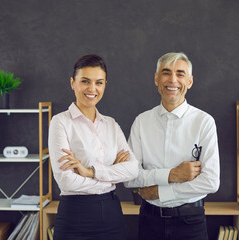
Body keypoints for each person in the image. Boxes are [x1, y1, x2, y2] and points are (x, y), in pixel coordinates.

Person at [125, 52, 220, 240]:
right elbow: (130, 178)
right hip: (149, 220)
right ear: (156, 78)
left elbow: (210, 182)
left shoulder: (204, 122)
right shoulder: (141, 122)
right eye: (166, 73)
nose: (173, 80)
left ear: (190, 81)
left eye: (180, 74)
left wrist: (159, 191)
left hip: (191, 222)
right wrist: (172, 175)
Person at [48, 54, 139, 240]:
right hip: (75, 216)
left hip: (112, 215)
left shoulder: (111, 125)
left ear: (105, 84)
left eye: (99, 82)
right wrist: (112, 175)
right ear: (72, 83)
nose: (92, 89)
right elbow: (66, 181)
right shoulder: (60, 122)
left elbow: (132, 169)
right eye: (85, 81)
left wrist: (89, 172)